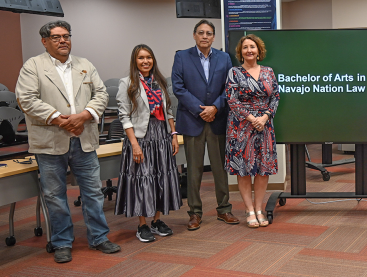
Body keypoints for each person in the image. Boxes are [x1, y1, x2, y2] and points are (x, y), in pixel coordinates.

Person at [15, 20, 120, 263]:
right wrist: (60, 120)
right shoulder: (33, 66)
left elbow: (101, 93)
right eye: (56, 37)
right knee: (55, 195)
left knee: (93, 192)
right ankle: (62, 242)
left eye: (66, 36)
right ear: (44, 41)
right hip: (51, 140)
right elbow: (26, 99)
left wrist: (84, 115)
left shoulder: (84, 64)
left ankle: (99, 237)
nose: (63, 41)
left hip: (84, 139)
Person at [172, 20, 238, 230]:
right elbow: (178, 88)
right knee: (194, 169)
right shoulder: (182, 56)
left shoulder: (224, 58)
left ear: (213, 37)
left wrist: (215, 108)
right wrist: (201, 110)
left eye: (209, 33)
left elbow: (229, 88)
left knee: (220, 168)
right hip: (193, 120)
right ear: (194, 35)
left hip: (217, 119)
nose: (204, 36)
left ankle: (224, 209)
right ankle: (195, 212)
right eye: (200, 33)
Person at [114, 44, 181, 242]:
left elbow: (168, 111)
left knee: (161, 177)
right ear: (135, 61)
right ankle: (142, 224)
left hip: (161, 135)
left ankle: (156, 220)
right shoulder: (127, 83)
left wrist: (174, 135)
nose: (145, 61)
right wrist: (134, 144)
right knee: (143, 179)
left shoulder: (158, 82)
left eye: (149, 57)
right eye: (141, 58)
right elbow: (124, 116)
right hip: (141, 137)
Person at [225, 34, 279, 228]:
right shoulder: (234, 72)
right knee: (244, 169)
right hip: (241, 126)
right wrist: (251, 119)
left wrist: (264, 117)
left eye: (252, 47)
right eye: (245, 47)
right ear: (240, 52)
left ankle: (259, 208)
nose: (249, 50)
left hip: (264, 126)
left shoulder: (268, 72)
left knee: (263, 169)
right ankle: (248, 210)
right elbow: (232, 100)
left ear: (258, 50)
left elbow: (276, 97)